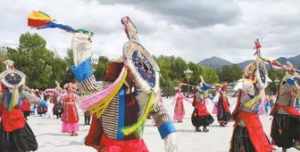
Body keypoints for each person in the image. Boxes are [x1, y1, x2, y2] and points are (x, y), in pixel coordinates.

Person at [70, 17, 177, 152]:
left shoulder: (143, 92)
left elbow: (158, 110)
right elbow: (88, 86)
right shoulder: (107, 90)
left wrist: (169, 133)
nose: (136, 72)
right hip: (113, 147)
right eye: (132, 68)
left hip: (137, 146)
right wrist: (82, 52)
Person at [230, 61, 273, 152]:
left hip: (247, 119)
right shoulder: (256, 86)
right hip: (251, 119)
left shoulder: (247, 84)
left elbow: (240, 98)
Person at [0, 60, 38, 152]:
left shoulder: (3, 95)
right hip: (17, 121)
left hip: (8, 121)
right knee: (21, 145)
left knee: (8, 146)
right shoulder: (20, 93)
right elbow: (36, 100)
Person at [270, 64, 300, 152]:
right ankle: (296, 142)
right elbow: (297, 89)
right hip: (285, 111)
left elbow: (296, 92)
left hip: (284, 110)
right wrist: (295, 76)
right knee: (286, 133)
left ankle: (293, 143)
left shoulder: (286, 79)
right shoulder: (288, 80)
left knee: (284, 135)